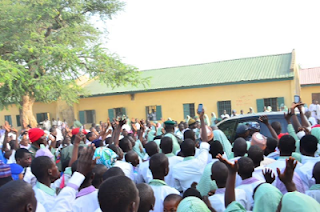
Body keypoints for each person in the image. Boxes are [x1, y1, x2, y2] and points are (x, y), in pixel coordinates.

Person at [172, 109, 210, 192]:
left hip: (185, 198)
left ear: (181, 152)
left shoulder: (176, 168)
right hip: (202, 196)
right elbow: (204, 140)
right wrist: (202, 119)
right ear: (194, 150)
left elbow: (178, 188)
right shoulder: (201, 160)